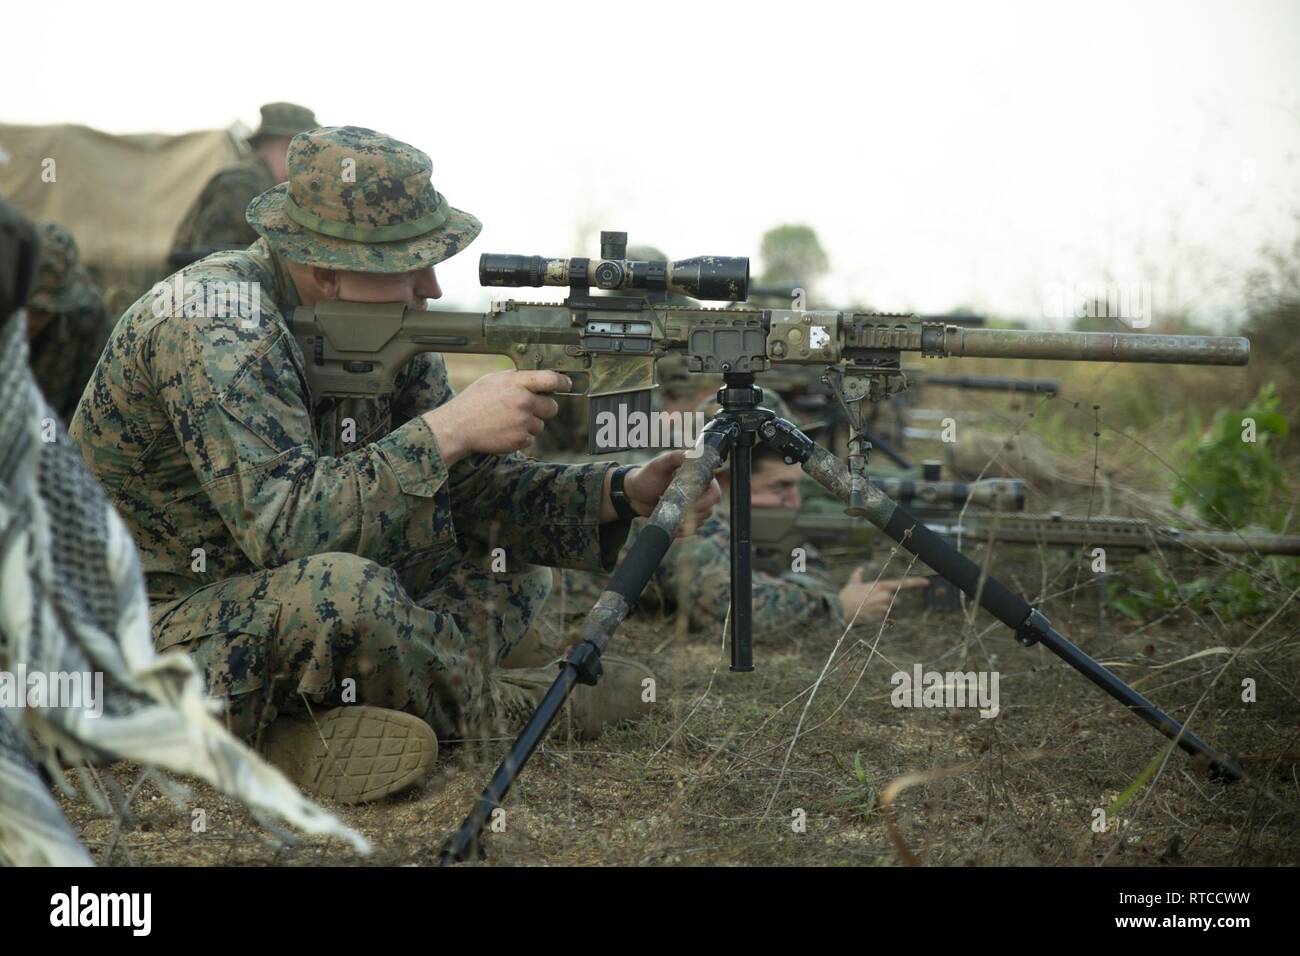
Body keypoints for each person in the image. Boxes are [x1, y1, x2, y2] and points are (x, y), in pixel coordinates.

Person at [71, 126, 718, 804]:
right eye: (410, 266)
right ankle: (521, 706)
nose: (432, 286)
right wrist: (446, 430)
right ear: (325, 268)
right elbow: (285, 526)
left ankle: (326, 715)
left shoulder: (380, 326)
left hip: (256, 599)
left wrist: (619, 493)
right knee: (346, 595)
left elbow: (469, 498)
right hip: (142, 629)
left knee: (510, 563)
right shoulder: (215, 321)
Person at [545, 393, 929, 647]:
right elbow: (733, 608)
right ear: (727, 478)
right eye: (778, 488)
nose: (791, 502)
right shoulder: (679, 500)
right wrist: (837, 608)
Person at [170, 102, 318, 259]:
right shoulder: (241, 184)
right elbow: (214, 260)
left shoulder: (265, 184)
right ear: (288, 146)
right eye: (309, 153)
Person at [25, 221, 111, 421]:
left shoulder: (86, 316)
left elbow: (95, 405)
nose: (31, 320)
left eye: (42, 311)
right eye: (26, 307)